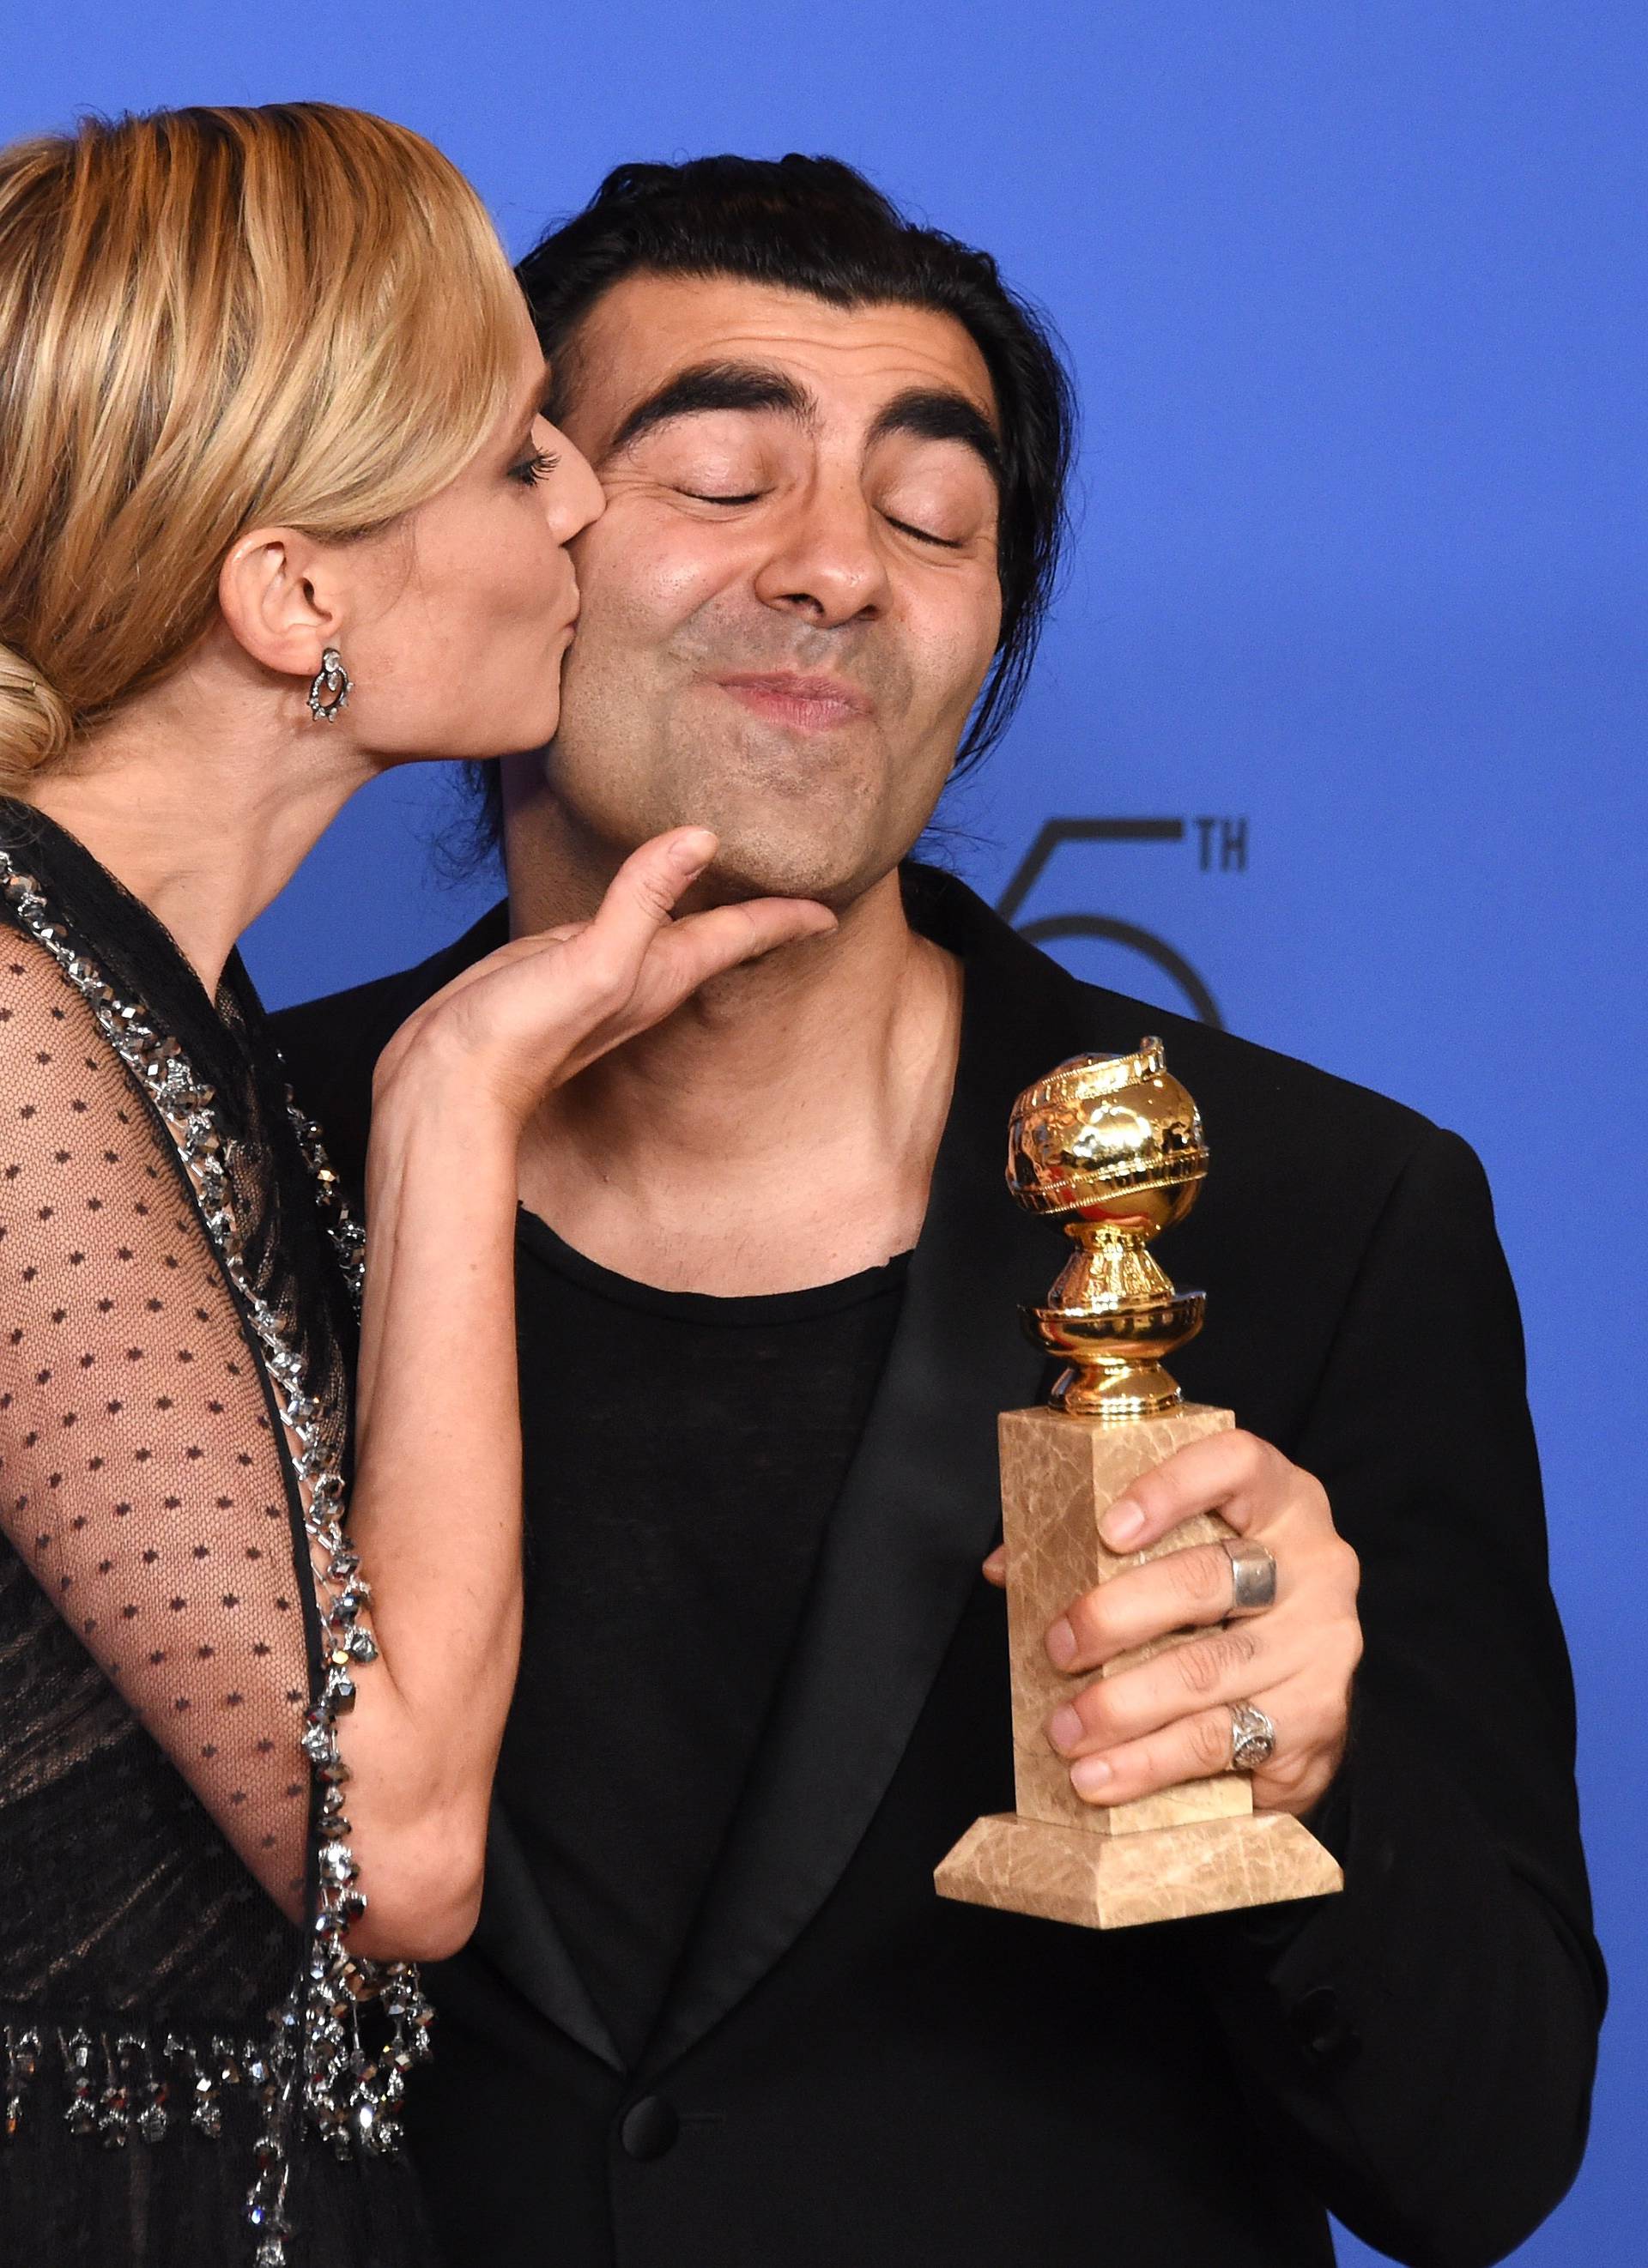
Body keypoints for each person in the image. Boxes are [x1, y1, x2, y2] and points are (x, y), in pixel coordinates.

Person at [276, 156, 1605, 2268]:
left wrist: (1310, 1768)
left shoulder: (1324, 1213)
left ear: (987, 638)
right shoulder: (222, 1161)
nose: (834, 572)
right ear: (505, 539)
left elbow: (1493, 2149)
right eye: (719, 476)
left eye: (932, 518)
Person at [0, 110, 829, 2268]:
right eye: (513, 460)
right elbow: (392, 1836)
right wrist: (460, 1096)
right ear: (292, 596)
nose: (583, 504)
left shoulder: (150, 1002)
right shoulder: (7, 1027)